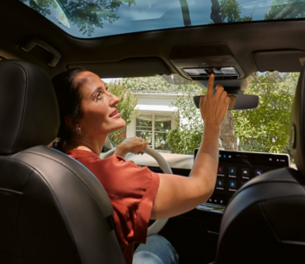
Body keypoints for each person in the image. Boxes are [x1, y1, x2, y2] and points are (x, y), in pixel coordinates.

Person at [52, 69, 233, 264]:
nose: (114, 99)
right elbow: (201, 187)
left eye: (107, 90)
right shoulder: (115, 178)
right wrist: (213, 124)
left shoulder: (48, 162)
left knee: (153, 242)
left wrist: (120, 152)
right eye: (98, 95)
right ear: (74, 122)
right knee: (159, 244)